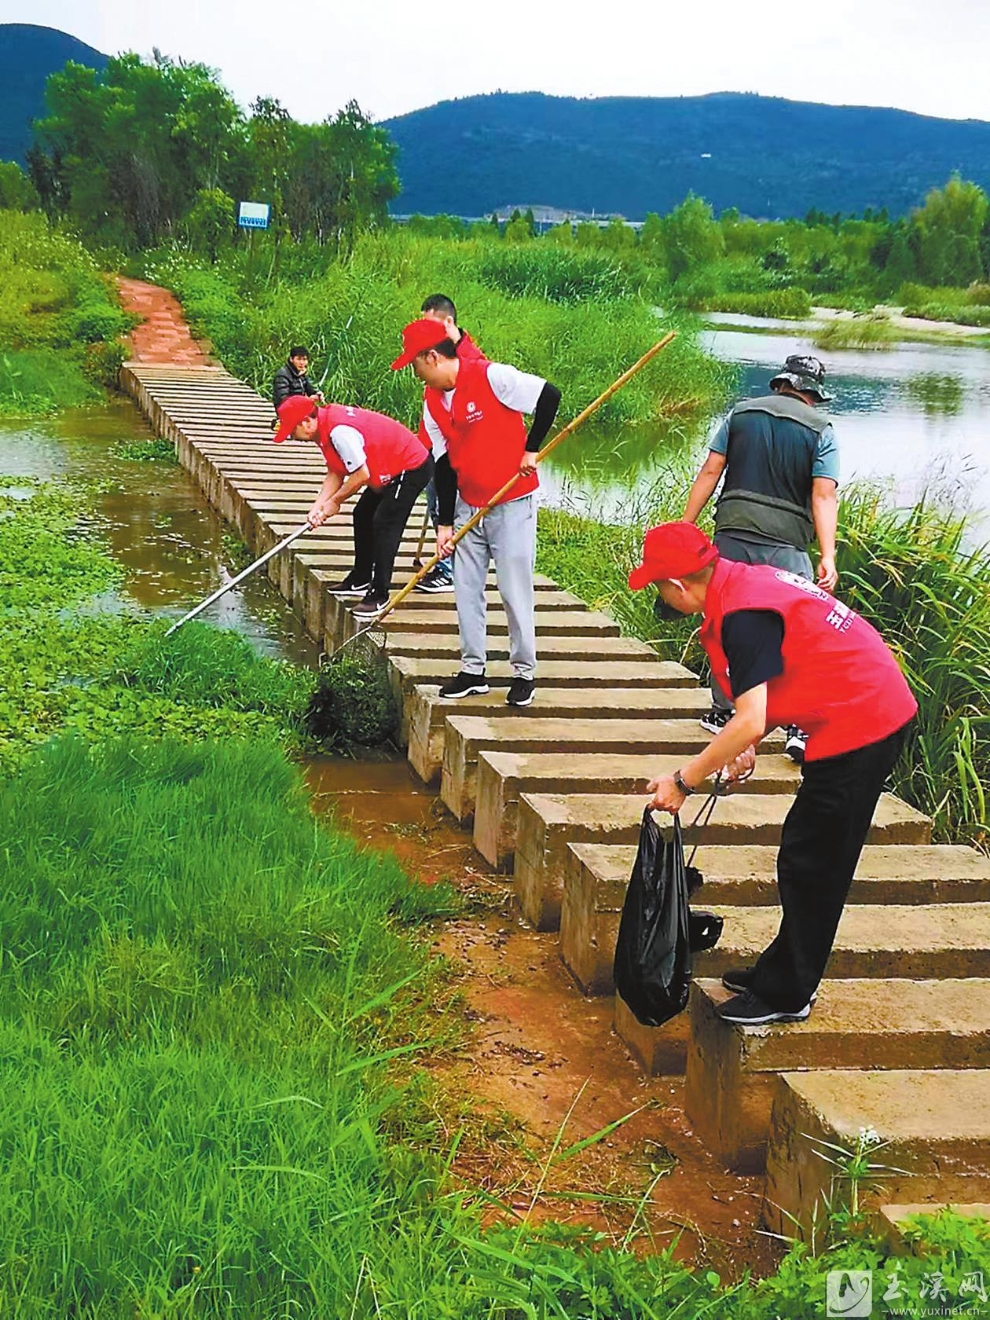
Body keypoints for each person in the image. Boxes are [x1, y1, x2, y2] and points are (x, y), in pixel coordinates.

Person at [628, 521, 917, 1025]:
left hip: (864, 718)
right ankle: (779, 971)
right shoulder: (741, 583)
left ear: (676, 585)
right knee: (806, 851)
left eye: (658, 588)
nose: (662, 597)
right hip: (855, 704)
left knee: (814, 862)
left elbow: (749, 716)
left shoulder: (742, 614)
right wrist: (748, 742)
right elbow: (768, 695)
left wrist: (683, 781)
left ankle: (789, 993)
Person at [391, 318, 560, 707]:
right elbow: (445, 466)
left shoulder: (492, 376)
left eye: (416, 365)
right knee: (466, 589)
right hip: (470, 504)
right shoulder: (432, 404)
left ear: (432, 357)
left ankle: (524, 672)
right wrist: (444, 525)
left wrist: (531, 449)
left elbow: (549, 395)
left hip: (512, 501)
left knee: (513, 589)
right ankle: (472, 669)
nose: (416, 374)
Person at [682, 354, 839, 764]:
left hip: (732, 534)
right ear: (813, 392)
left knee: (725, 619)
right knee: (797, 629)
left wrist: (686, 526)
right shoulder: (822, 429)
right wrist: (827, 555)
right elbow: (823, 494)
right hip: (787, 546)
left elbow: (710, 471)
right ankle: (796, 724)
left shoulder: (741, 414)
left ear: (782, 383)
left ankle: (724, 710)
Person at [272, 394, 432, 617]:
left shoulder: (339, 432)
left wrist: (335, 502)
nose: (292, 437)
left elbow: (360, 474)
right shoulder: (324, 429)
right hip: (387, 466)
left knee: (384, 523)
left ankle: (379, 594)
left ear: (306, 422)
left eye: (292, 431)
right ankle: (361, 578)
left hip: (410, 465)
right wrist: (318, 506)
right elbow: (336, 471)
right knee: (362, 514)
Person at [413, 294, 486, 594]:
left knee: (453, 507)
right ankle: (446, 561)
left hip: (463, 452)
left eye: (428, 324)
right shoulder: (431, 357)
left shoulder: (471, 359)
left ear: (448, 322)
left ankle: (452, 570)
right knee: (436, 504)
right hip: (434, 442)